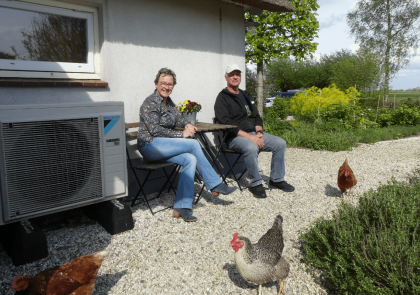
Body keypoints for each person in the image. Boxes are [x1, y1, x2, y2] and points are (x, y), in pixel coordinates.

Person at [137, 68, 237, 222]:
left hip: (164, 146)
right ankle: (215, 184)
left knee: (190, 159)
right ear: (156, 83)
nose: (166, 87)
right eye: (163, 83)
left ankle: (182, 207)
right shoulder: (150, 102)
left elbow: (178, 119)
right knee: (193, 144)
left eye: (170, 84)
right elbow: (154, 130)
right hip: (150, 146)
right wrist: (181, 134)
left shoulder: (169, 103)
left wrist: (187, 125)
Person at [214, 64, 295, 198]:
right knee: (251, 147)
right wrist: (251, 138)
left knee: (280, 143)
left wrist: (259, 134)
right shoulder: (222, 98)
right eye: (231, 74)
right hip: (234, 138)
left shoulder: (246, 95)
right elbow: (226, 124)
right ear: (226, 77)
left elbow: (257, 117)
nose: (235, 77)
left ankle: (277, 179)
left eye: (237, 74)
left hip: (254, 134)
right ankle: (256, 184)